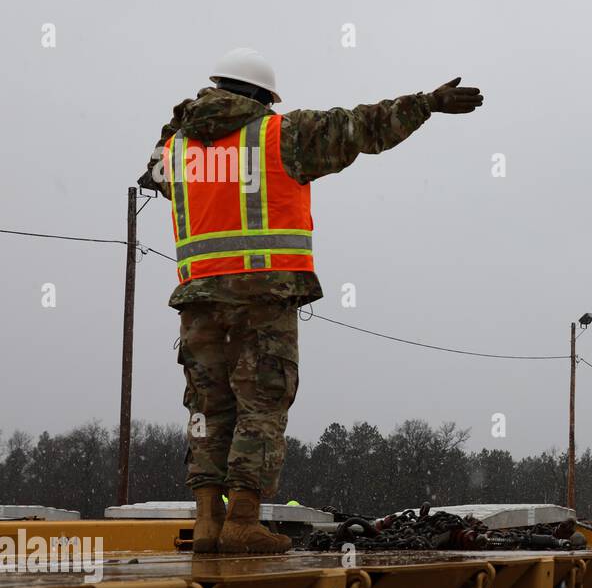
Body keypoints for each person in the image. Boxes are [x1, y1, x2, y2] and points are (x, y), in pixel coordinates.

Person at [140, 48, 483, 553]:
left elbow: (154, 176)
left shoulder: (176, 150)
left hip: (198, 302)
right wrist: (426, 104)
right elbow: (359, 128)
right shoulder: (278, 135)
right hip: (263, 295)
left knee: (207, 409)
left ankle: (210, 522)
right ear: (260, 97)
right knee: (261, 403)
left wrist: (179, 123)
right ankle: (244, 522)